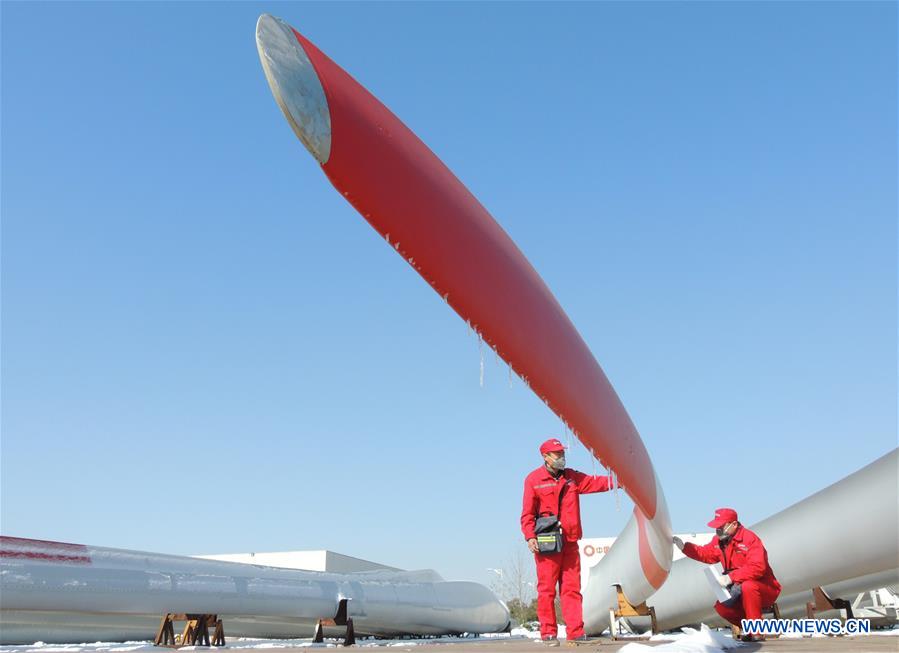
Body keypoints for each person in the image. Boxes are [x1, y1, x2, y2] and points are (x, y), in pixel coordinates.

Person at [521, 438, 614, 646]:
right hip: (547, 542)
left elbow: (593, 482)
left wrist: (617, 481)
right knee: (546, 589)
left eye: (562, 454)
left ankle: (576, 632)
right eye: (557, 454)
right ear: (545, 457)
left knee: (571, 588)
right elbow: (527, 514)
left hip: (570, 541)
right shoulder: (533, 480)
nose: (562, 457)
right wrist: (530, 537)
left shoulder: (572, 477)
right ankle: (548, 633)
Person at [673, 508, 781, 642]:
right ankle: (749, 627)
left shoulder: (750, 539)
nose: (718, 529)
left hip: (764, 588)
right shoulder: (719, 540)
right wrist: (685, 548)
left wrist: (731, 577)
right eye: (716, 526)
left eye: (721, 526)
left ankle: (757, 631)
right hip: (737, 587)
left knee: (748, 586)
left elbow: (758, 567)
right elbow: (707, 554)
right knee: (722, 607)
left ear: (734, 524)